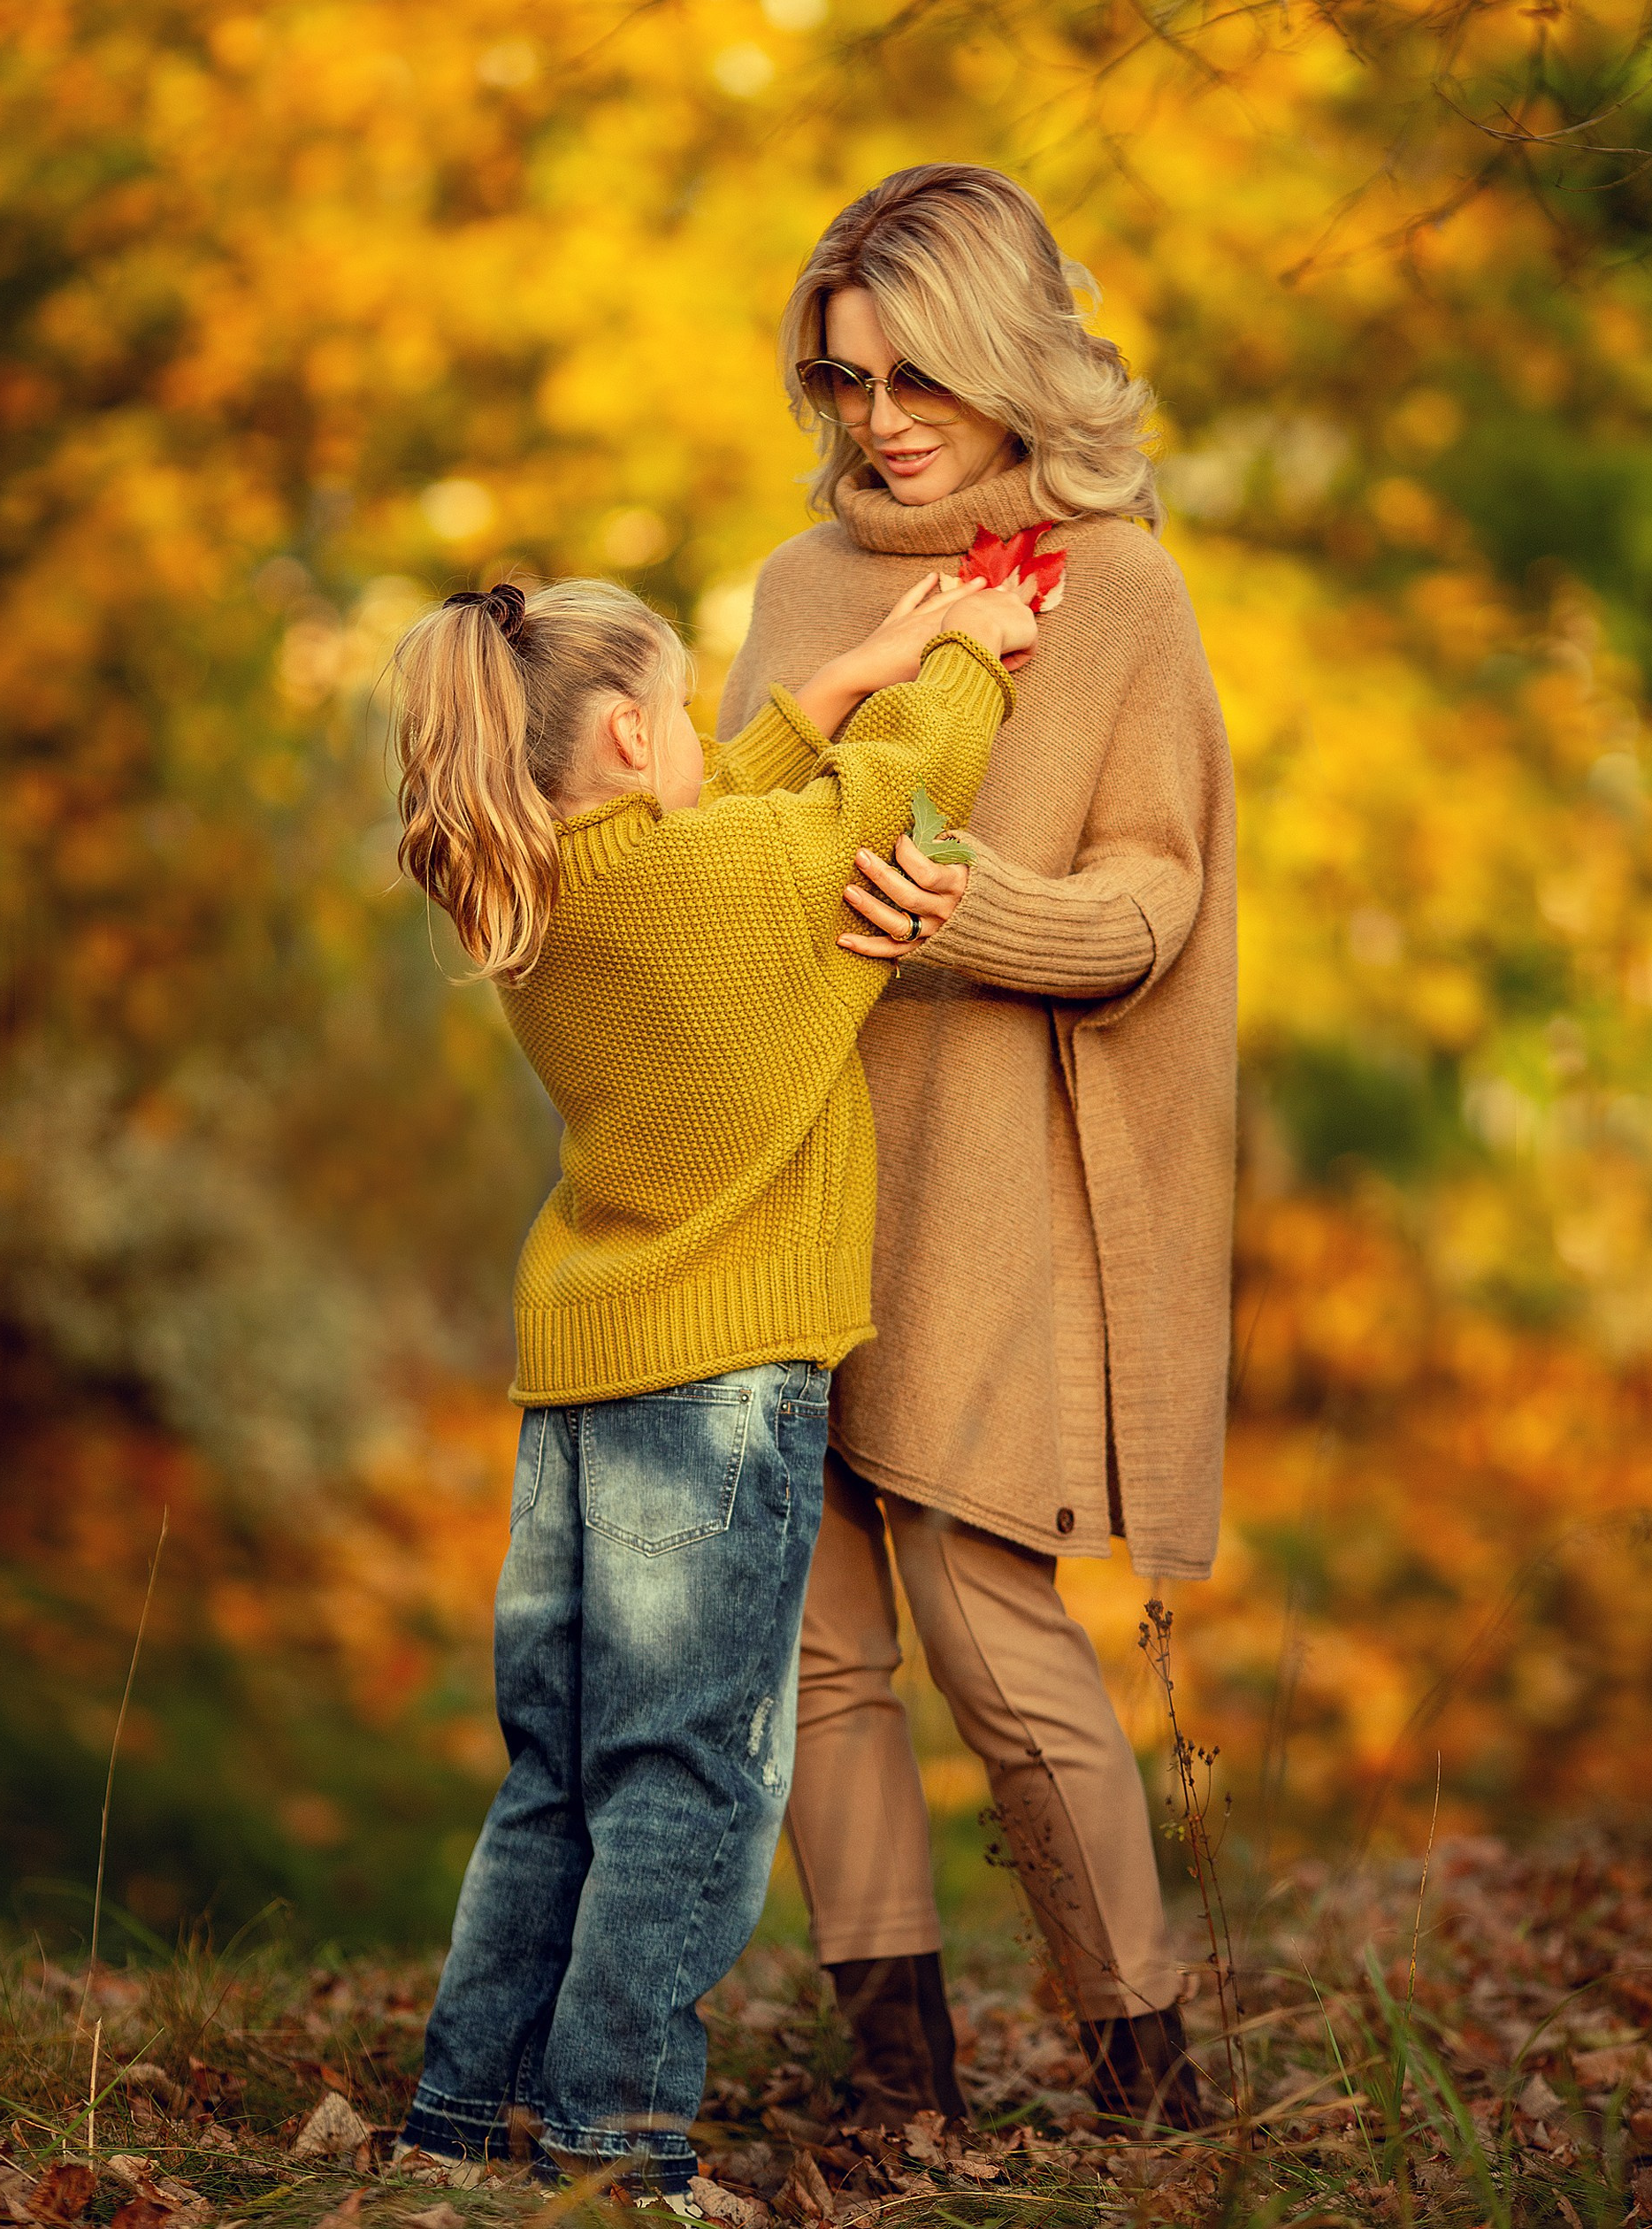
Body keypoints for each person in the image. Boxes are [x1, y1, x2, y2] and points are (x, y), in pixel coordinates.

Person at [387, 565, 1035, 2202]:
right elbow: (887, 805)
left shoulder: (550, 896)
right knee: (689, 1777)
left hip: (584, 1390)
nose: (704, 736)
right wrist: (962, 660)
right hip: (715, 1393)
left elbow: (727, 819)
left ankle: (461, 2118)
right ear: (622, 731)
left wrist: (840, 673)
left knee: (559, 1773)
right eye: (678, 712)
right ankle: (617, 2138)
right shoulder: (724, 890)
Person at [719, 165, 1237, 2134]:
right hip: (787, 1168)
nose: (882, 420)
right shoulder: (791, 588)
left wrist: (963, 907)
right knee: (820, 1650)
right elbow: (744, 858)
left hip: (990, 1195)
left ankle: (1144, 2068)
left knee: (988, 1630)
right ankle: (895, 2079)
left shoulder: (1117, 587)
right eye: (843, 381)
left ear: (1012, 356)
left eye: (918, 372)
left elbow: (1153, 905)